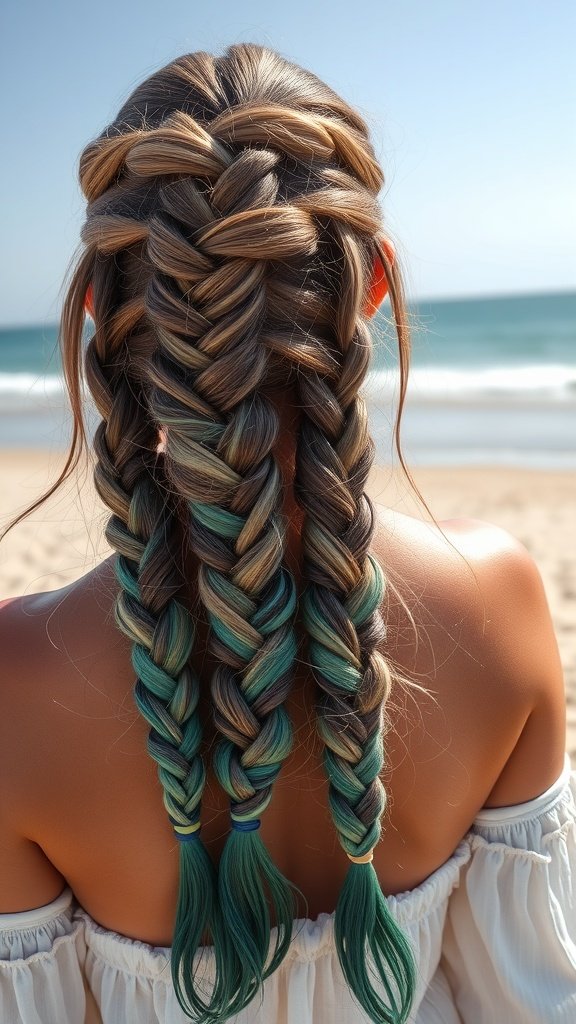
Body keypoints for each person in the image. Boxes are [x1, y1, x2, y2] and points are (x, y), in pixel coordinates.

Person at [0, 41, 574, 1024]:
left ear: (103, 310)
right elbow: (531, 1000)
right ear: (375, 284)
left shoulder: (18, 682)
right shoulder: (501, 601)